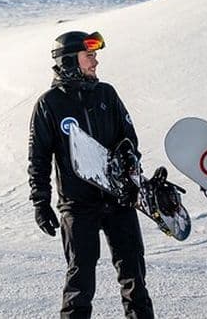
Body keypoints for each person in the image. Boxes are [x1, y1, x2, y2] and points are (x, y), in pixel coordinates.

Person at [28, 30, 154, 319]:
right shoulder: (49, 104)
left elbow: (129, 137)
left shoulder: (106, 93)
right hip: (78, 205)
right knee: (80, 281)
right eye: (90, 56)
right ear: (70, 61)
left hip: (119, 198)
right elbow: (38, 159)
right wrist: (40, 202)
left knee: (134, 276)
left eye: (95, 56)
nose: (96, 62)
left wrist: (128, 154)